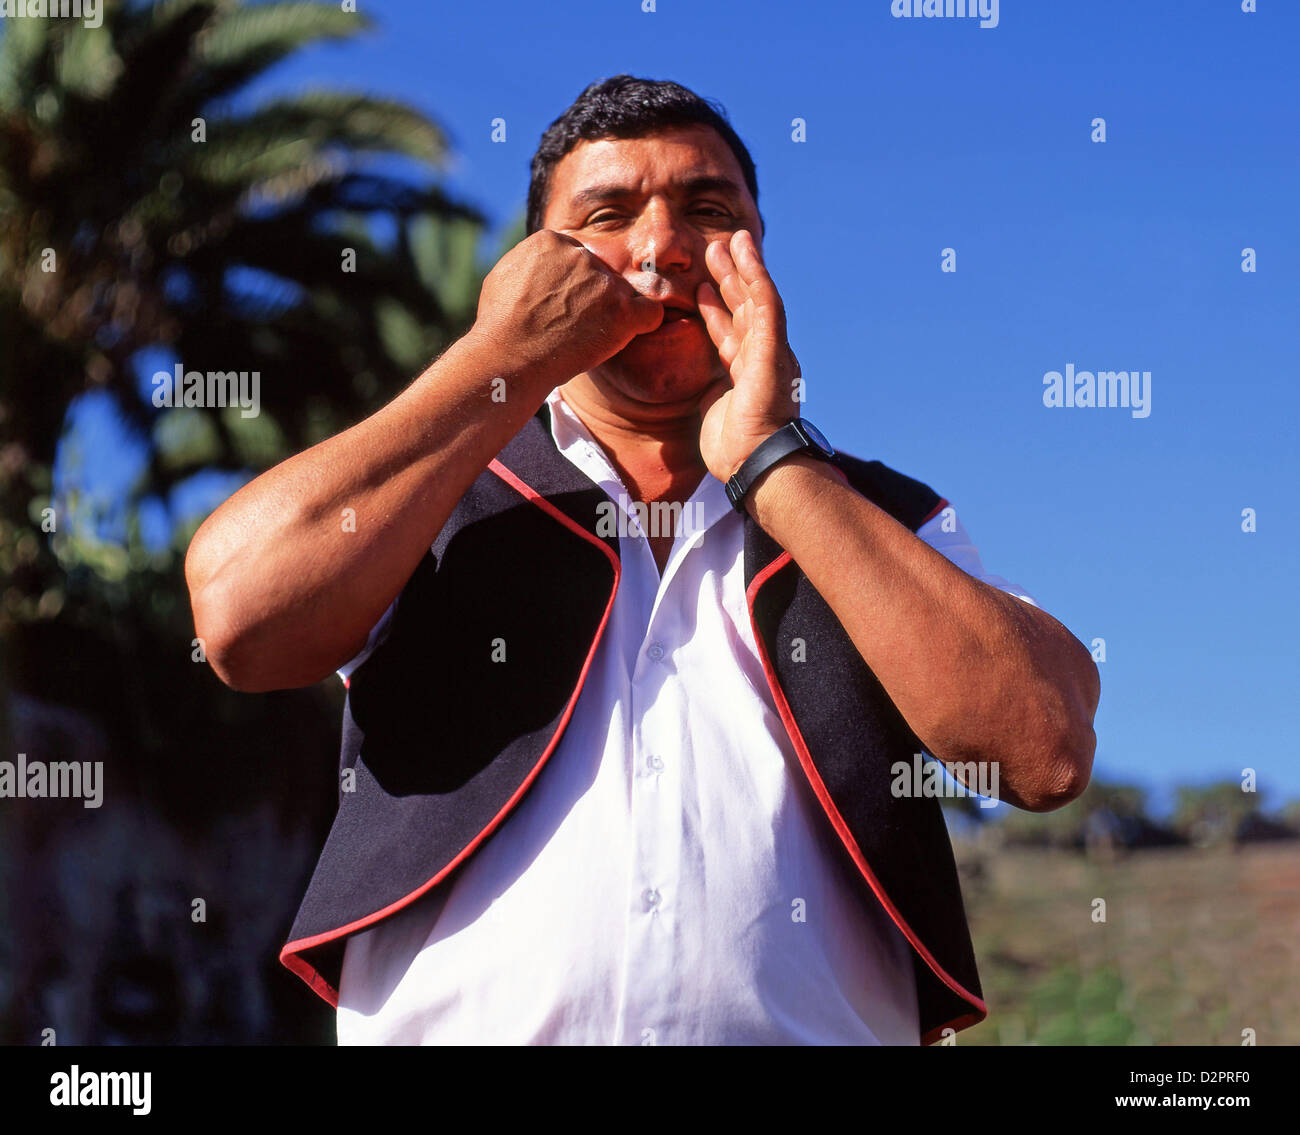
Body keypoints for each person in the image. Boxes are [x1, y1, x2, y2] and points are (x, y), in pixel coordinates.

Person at [185, 75, 1100, 1045]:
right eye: (608, 214)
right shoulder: (434, 501)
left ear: (760, 254)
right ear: (537, 264)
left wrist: (771, 463)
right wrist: (498, 354)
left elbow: (1041, 748)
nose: (662, 248)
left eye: (706, 211)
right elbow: (239, 619)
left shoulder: (871, 517)